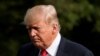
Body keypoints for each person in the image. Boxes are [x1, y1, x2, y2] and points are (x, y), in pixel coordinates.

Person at [17, 5, 94, 56]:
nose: (32, 33)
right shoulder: (24, 51)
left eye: (36, 28)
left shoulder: (81, 54)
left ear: (54, 28)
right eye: (29, 29)